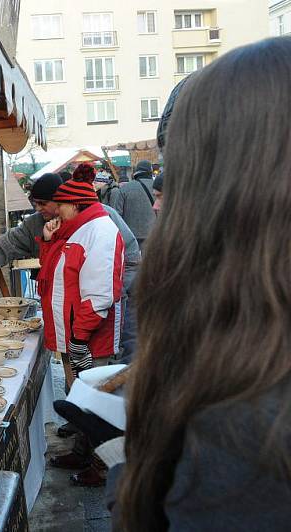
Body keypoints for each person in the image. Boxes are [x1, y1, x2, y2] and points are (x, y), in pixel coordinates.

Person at [115, 38, 291, 530]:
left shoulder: (250, 425)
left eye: (178, 176)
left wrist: (125, 467)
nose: (158, 203)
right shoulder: (244, 340)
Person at [0, 172, 140, 363]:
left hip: (97, 316)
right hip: (68, 317)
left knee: (104, 369)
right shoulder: (37, 224)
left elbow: (119, 271)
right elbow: (3, 246)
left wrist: (118, 296)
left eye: (43, 203)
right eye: (35, 203)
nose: (38, 208)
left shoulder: (99, 222)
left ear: (64, 201)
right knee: (74, 375)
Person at [37, 164, 124, 381]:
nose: (57, 211)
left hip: (87, 341)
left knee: (88, 402)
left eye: (61, 205)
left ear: (76, 205)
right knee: (76, 396)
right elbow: (52, 272)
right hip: (75, 336)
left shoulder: (99, 232)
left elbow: (100, 296)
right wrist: (50, 241)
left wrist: (79, 339)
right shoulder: (78, 230)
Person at [111, 160, 156, 246]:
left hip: (130, 238)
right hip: (154, 236)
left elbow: (117, 215)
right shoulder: (160, 188)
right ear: (150, 172)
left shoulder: (125, 189)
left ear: (135, 172)